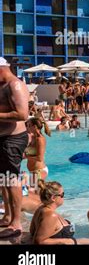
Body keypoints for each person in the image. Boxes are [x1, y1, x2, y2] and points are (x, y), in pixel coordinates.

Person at [0, 57, 30, 238]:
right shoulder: (2, 85)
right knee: (3, 179)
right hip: (3, 139)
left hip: (12, 139)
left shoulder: (14, 85)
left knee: (12, 180)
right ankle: (8, 215)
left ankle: (16, 222)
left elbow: (22, 114)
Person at [30, 180, 89, 244]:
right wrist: (73, 242)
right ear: (53, 198)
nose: (63, 197)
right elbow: (38, 241)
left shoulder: (41, 209)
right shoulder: (50, 215)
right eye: (62, 194)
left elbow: (32, 231)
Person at [25, 118, 51, 184]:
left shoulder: (40, 139)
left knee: (28, 191)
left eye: (29, 125)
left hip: (39, 171)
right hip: (33, 171)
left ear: (35, 127)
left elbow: (40, 158)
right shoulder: (32, 137)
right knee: (30, 191)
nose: (27, 127)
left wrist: (25, 156)